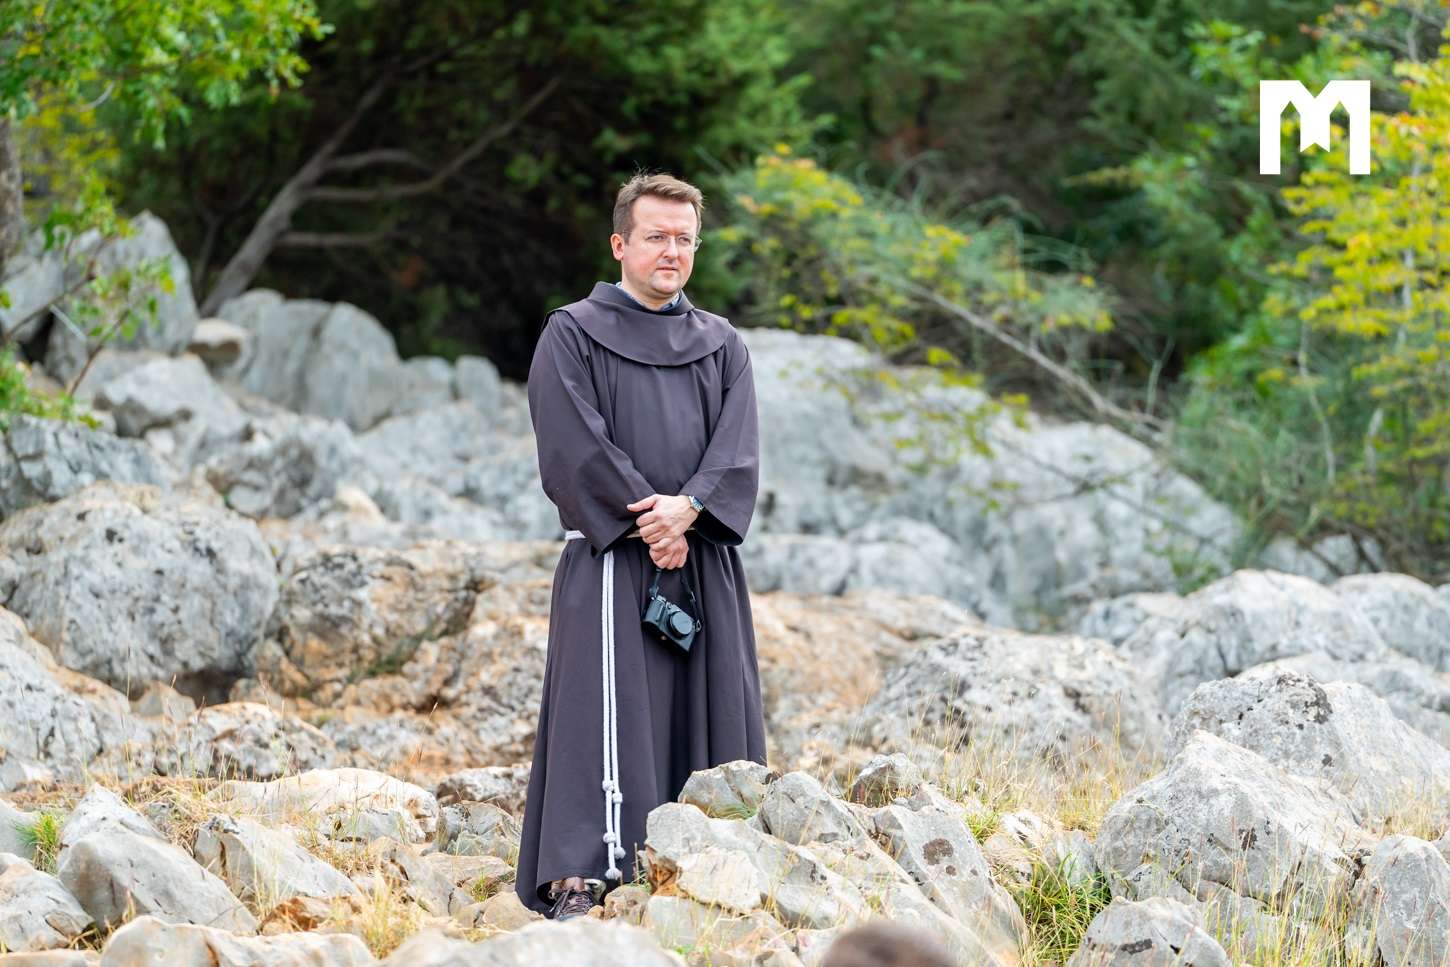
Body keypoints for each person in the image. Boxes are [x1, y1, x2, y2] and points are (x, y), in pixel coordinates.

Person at [514, 171, 769, 922]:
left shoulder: (723, 344)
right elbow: (570, 442)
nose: (672, 251)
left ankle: (714, 866)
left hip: (702, 556)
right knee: (602, 711)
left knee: (709, 708)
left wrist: (690, 508)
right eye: (656, 236)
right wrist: (653, 522)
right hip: (611, 559)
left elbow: (738, 448)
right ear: (620, 244)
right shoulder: (572, 332)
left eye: (685, 239)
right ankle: (584, 876)